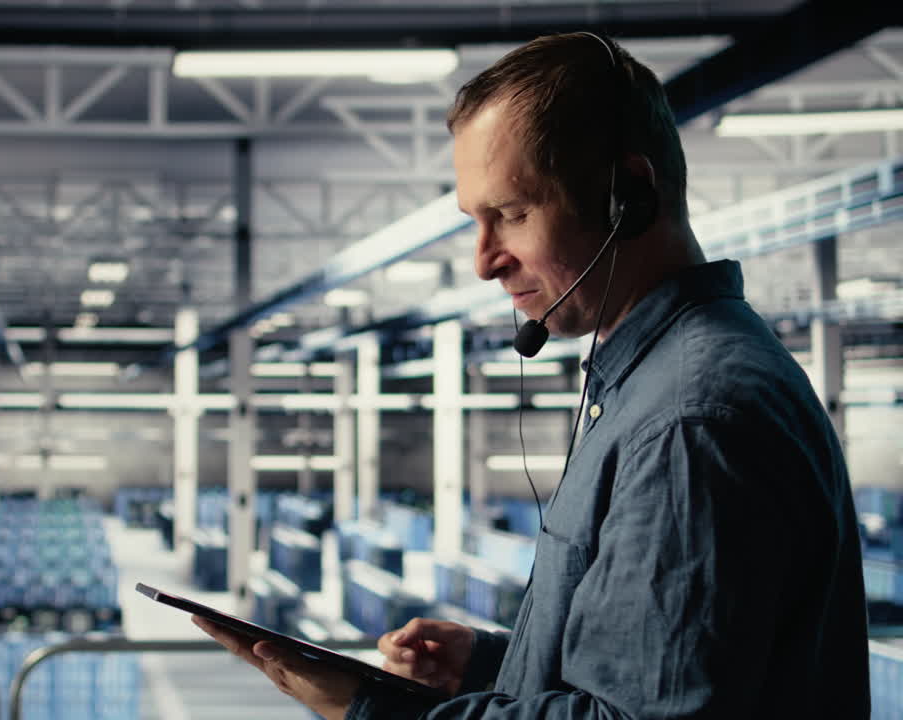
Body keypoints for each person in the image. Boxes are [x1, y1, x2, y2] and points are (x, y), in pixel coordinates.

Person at [194, 31, 870, 719]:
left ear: (628, 195)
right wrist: (494, 664)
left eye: (511, 214)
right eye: (474, 223)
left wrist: (370, 709)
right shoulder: (656, 386)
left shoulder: (686, 421)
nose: (484, 261)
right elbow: (655, 672)